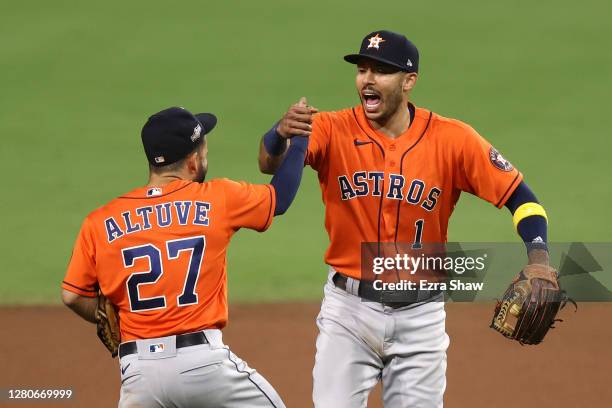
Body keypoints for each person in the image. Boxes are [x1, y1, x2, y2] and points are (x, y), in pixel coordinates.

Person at [258, 31, 551, 407]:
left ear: (408, 81)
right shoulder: (331, 128)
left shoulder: (453, 139)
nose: (367, 79)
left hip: (421, 317)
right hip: (348, 313)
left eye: (381, 71)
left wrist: (539, 256)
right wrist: (279, 134)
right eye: (362, 69)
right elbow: (270, 162)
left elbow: (521, 198)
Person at [62, 106, 308, 407]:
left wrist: (119, 318)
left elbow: (73, 296)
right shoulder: (217, 198)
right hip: (205, 367)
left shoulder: (99, 222)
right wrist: (299, 140)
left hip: (139, 374)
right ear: (193, 161)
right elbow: (279, 198)